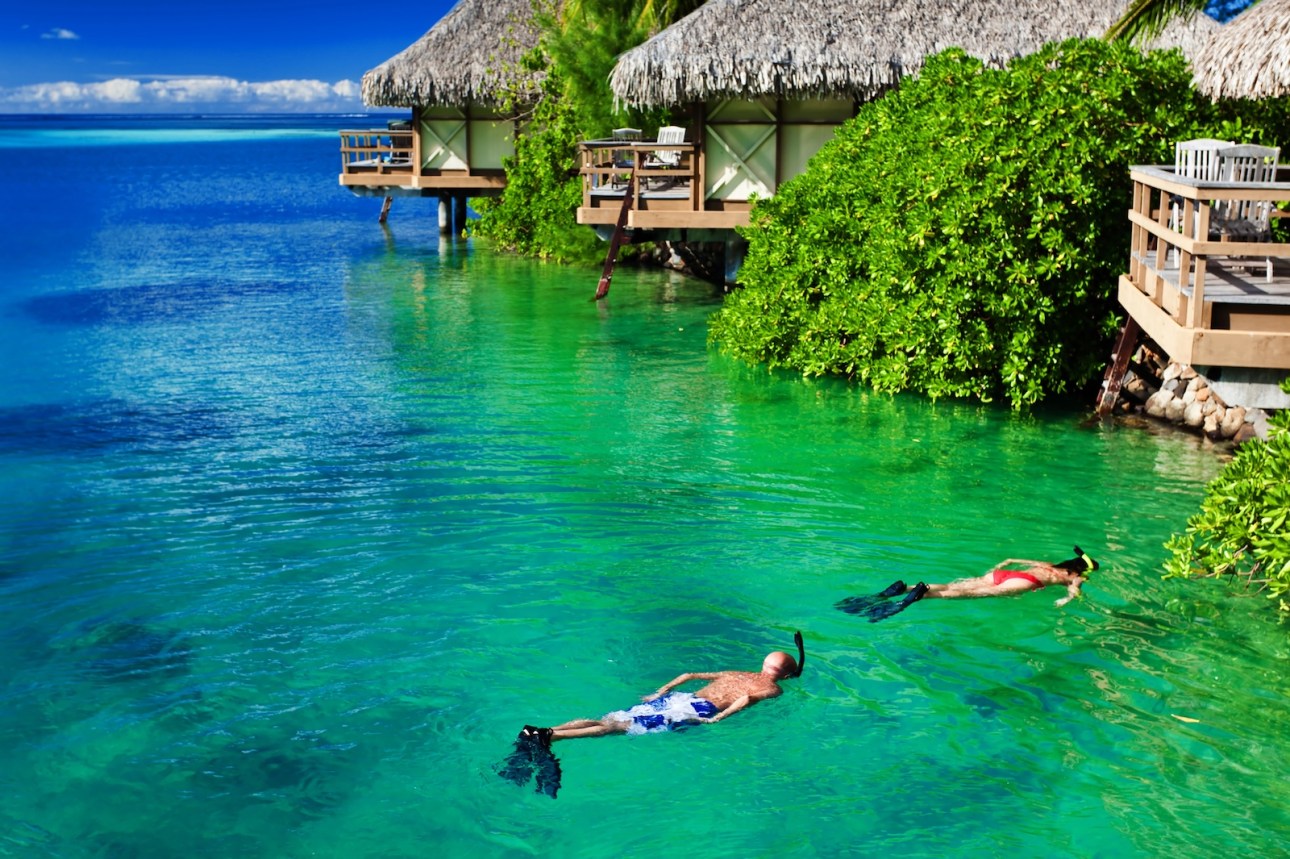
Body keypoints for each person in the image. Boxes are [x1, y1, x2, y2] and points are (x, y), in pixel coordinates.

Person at [498, 633, 805, 798]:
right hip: (696, 709)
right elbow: (748, 698)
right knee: (617, 728)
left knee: (608, 720)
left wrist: (660, 692)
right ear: (788, 674)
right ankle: (550, 736)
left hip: (680, 697)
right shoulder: (774, 690)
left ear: (763, 663)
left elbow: (689, 673)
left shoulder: (737, 672)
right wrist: (716, 720)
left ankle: (543, 729)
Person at [837, 545, 1099, 622]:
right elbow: (1074, 589)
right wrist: (1066, 599)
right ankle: (919, 596)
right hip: (1024, 582)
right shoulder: (1076, 575)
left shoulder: (1048, 565)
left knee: (961, 584)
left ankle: (906, 588)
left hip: (1004, 573)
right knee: (970, 594)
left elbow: (1014, 557)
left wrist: (1005, 561)